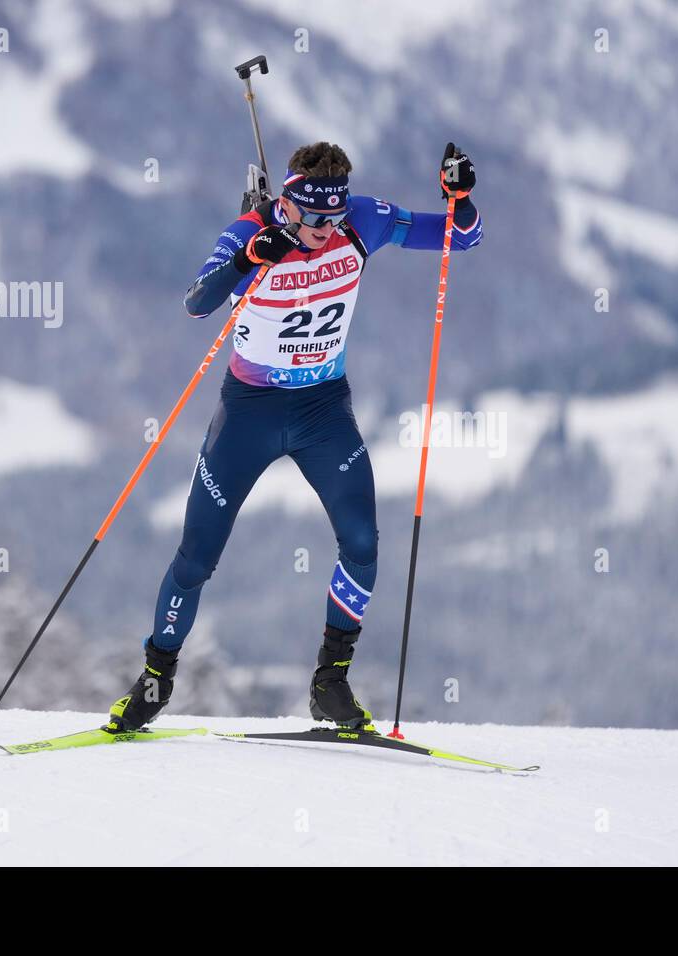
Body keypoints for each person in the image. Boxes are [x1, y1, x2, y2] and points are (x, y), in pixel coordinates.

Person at [105, 141, 482, 733]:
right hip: (249, 412)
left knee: (362, 541)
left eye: (335, 218)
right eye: (313, 219)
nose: (326, 230)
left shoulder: (364, 221)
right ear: (287, 204)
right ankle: (156, 678)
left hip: (322, 411)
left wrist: (460, 201)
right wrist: (250, 256)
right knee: (197, 556)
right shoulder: (250, 230)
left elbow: (458, 239)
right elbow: (197, 303)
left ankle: (330, 682)